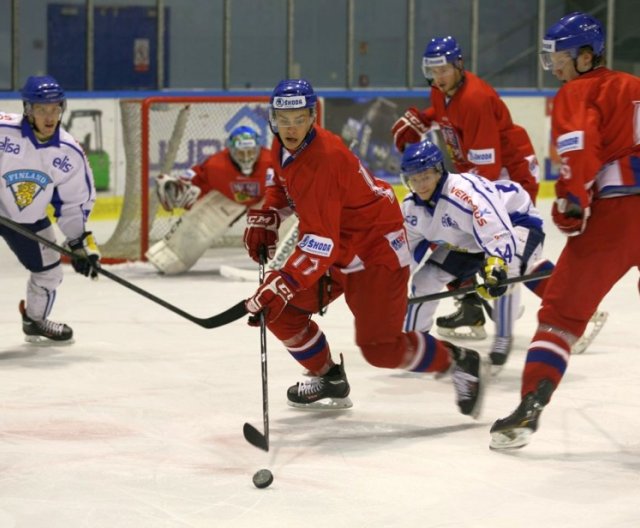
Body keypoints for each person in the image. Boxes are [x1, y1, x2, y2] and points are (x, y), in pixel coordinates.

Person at [241, 78, 487, 419]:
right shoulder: (284, 146)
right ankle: (328, 378)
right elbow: (283, 188)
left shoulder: (322, 160)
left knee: (381, 350)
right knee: (279, 311)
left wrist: (283, 282)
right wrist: (268, 214)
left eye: (299, 118)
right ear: (273, 119)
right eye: (283, 120)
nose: (290, 127)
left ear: (313, 116)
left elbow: (320, 244)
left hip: (375, 252)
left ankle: (458, 360)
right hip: (339, 247)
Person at [490, 12, 640, 450]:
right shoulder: (635, 86)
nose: (553, 66)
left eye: (559, 57)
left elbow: (580, 145)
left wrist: (571, 204)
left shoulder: (579, 91)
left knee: (560, 317)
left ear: (586, 56)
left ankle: (531, 403)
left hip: (616, 218)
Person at [391, 35, 541, 359]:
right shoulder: (442, 88)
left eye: (444, 69)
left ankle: (565, 307)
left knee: (511, 259)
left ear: (459, 65)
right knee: (458, 243)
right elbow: (445, 112)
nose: (438, 77)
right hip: (478, 172)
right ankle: (471, 308)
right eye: (432, 71)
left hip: (508, 175)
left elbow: (485, 175)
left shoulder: (475, 99)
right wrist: (425, 118)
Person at [401, 139, 554, 370]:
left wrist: (495, 266)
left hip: (515, 221)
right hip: (468, 236)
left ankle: (503, 340)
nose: (420, 185)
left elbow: (495, 228)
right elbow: (406, 253)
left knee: (508, 272)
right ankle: (415, 344)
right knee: (425, 280)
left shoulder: (463, 194)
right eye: (414, 178)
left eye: (425, 177)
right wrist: (389, 284)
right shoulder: (412, 208)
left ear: (439, 171)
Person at [0, 75, 99, 344]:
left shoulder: (69, 153)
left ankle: (35, 321)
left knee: (49, 273)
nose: (49, 116)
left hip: (27, 216)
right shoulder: (2, 130)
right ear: (28, 109)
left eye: (55, 108)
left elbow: (73, 203)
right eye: (42, 109)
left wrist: (79, 245)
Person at [146, 125, 273, 274]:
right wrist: (178, 188)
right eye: (240, 153)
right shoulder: (215, 165)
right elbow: (191, 182)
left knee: (284, 217)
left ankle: (289, 262)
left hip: (266, 198)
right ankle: (172, 258)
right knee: (199, 226)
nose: (246, 157)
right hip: (227, 199)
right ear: (230, 150)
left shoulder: (273, 161)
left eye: (250, 152)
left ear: (259, 149)